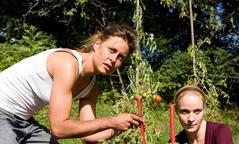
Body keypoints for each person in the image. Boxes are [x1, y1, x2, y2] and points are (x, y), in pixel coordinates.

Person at [0, 24, 144, 144]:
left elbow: (88, 137)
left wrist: (122, 126)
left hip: (23, 120)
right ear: (97, 44)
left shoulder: (91, 87)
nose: (113, 59)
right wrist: (111, 121)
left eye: (121, 57)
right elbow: (59, 128)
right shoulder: (68, 63)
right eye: (111, 50)